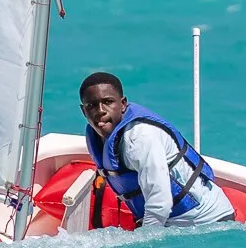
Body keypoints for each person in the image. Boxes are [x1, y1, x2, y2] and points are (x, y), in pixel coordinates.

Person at [81, 71, 235, 227]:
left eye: (108, 102)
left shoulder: (139, 139)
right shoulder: (97, 136)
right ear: (83, 111)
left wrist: (145, 237)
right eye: (91, 105)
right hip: (173, 220)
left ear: (123, 104)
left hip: (207, 221)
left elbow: (160, 202)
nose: (100, 110)